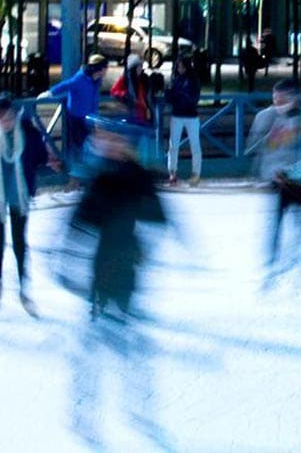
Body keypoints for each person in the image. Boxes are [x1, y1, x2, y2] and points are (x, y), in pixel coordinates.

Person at [58, 115, 171, 448]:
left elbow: (160, 218)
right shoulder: (102, 178)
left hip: (126, 267)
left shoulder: (138, 177)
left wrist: (146, 247)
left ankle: (136, 401)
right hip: (102, 267)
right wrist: (66, 262)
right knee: (94, 340)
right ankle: (85, 404)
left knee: (124, 338)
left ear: (124, 143)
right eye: (102, 137)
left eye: (110, 138)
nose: (104, 142)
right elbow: (78, 224)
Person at [0, 94, 61, 316]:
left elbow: (41, 156)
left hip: (19, 195)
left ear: (14, 115)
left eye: (8, 117)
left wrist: (52, 161)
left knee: (20, 242)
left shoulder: (28, 133)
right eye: (0, 119)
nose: (5, 122)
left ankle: (23, 290)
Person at [246, 79, 301, 287]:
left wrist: (291, 172)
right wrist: (265, 175)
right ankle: (272, 265)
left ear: (294, 99)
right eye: (275, 99)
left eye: (282, 99)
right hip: (279, 185)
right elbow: (262, 152)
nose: (278, 104)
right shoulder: (268, 119)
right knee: (276, 227)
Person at [44, 54, 107, 177]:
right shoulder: (81, 79)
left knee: (87, 145)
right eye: (105, 67)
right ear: (99, 68)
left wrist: (96, 117)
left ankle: (83, 172)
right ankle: (73, 174)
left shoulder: (96, 81)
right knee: (76, 146)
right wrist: (50, 93)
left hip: (88, 118)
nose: (106, 70)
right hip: (75, 118)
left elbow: (94, 100)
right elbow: (65, 85)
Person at [164, 54, 202, 186]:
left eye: (181, 66)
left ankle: (196, 173)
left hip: (190, 115)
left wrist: (177, 96)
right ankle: (172, 173)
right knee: (173, 145)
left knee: (194, 145)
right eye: (178, 66)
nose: (179, 69)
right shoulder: (176, 79)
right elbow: (171, 97)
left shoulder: (193, 80)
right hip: (178, 115)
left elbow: (193, 98)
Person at [111, 54, 153, 126]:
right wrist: (124, 94)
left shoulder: (144, 79)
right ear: (134, 68)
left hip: (143, 112)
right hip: (133, 111)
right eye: (139, 66)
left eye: (141, 66)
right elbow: (114, 91)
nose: (141, 69)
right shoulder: (126, 79)